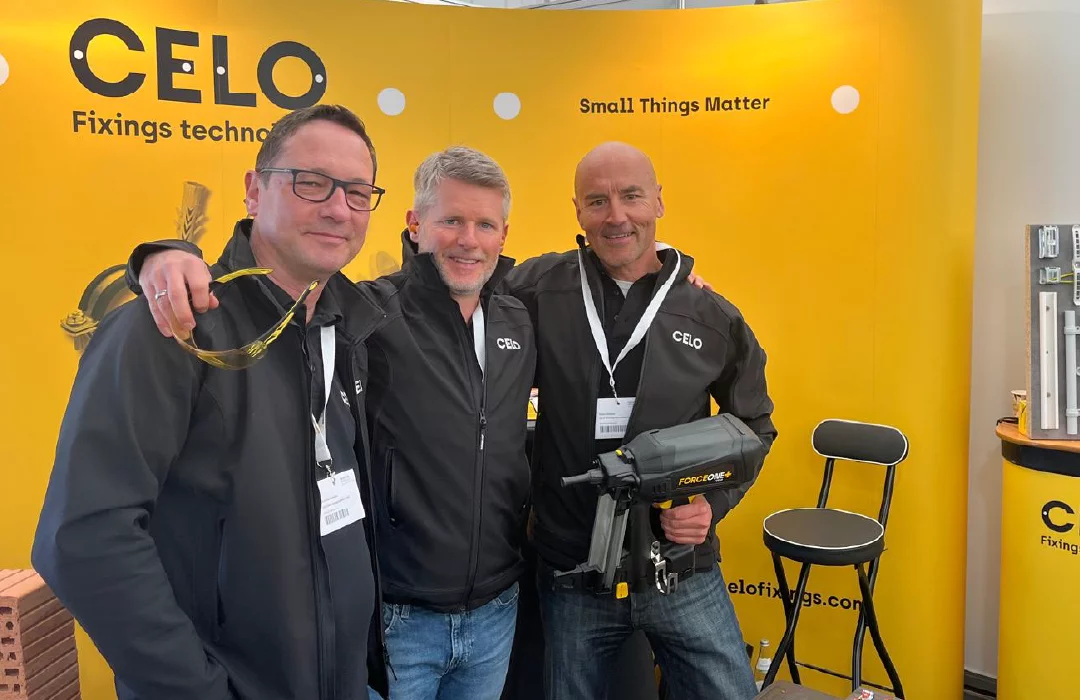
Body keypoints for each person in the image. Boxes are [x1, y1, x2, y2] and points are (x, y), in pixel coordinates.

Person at [127, 146, 537, 700]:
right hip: (398, 618)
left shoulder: (519, 319)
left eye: (485, 225)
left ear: (504, 236)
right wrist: (163, 257)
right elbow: (276, 293)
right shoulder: (369, 314)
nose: (469, 240)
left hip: (497, 609)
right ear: (415, 224)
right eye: (451, 221)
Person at [32, 104, 391, 700]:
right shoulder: (168, 329)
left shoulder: (344, 330)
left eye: (357, 192)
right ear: (254, 191)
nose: (338, 208)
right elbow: (85, 537)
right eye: (312, 182)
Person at [499, 141, 778, 699]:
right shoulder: (538, 289)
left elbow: (754, 427)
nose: (616, 216)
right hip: (571, 570)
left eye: (631, 196)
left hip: (680, 567)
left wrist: (712, 503)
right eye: (597, 201)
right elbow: (464, 277)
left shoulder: (709, 314)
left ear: (659, 202)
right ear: (578, 211)